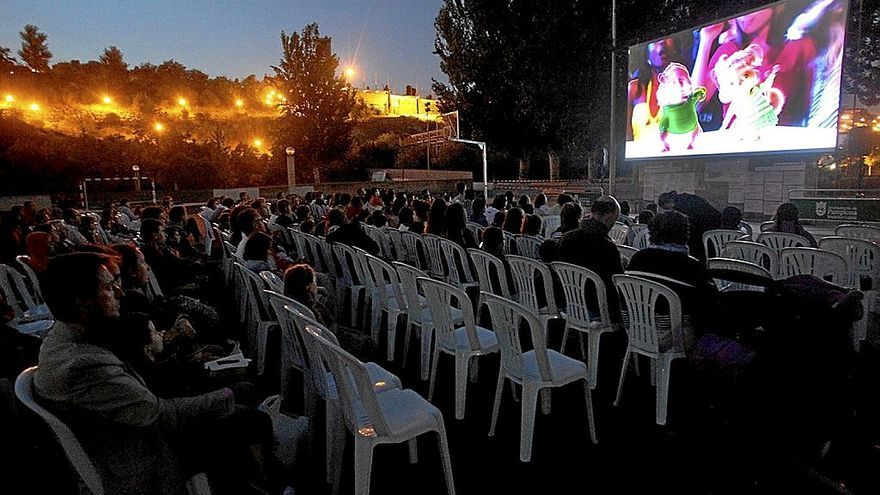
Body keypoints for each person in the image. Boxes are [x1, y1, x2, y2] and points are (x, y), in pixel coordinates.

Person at [33, 252, 257, 494]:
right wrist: (228, 395)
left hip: (131, 436)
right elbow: (157, 415)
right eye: (109, 288)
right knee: (249, 416)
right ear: (83, 302)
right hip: (144, 457)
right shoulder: (82, 365)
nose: (120, 293)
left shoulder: (63, 340)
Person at [627, 211, 719, 348]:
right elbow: (711, 304)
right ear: (685, 234)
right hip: (676, 337)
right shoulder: (691, 266)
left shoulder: (637, 259)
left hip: (638, 330)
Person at [556, 196, 624, 322]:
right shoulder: (607, 246)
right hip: (595, 310)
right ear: (609, 216)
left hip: (567, 305)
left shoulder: (566, 238)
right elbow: (615, 286)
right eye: (614, 221)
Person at [658, 190, 721, 263]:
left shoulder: (682, 203)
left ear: (667, 202)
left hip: (708, 222)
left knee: (697, 245)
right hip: (709, 220)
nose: (669, 210)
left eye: (666, 208)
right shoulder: (682, 199)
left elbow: (693, 218)